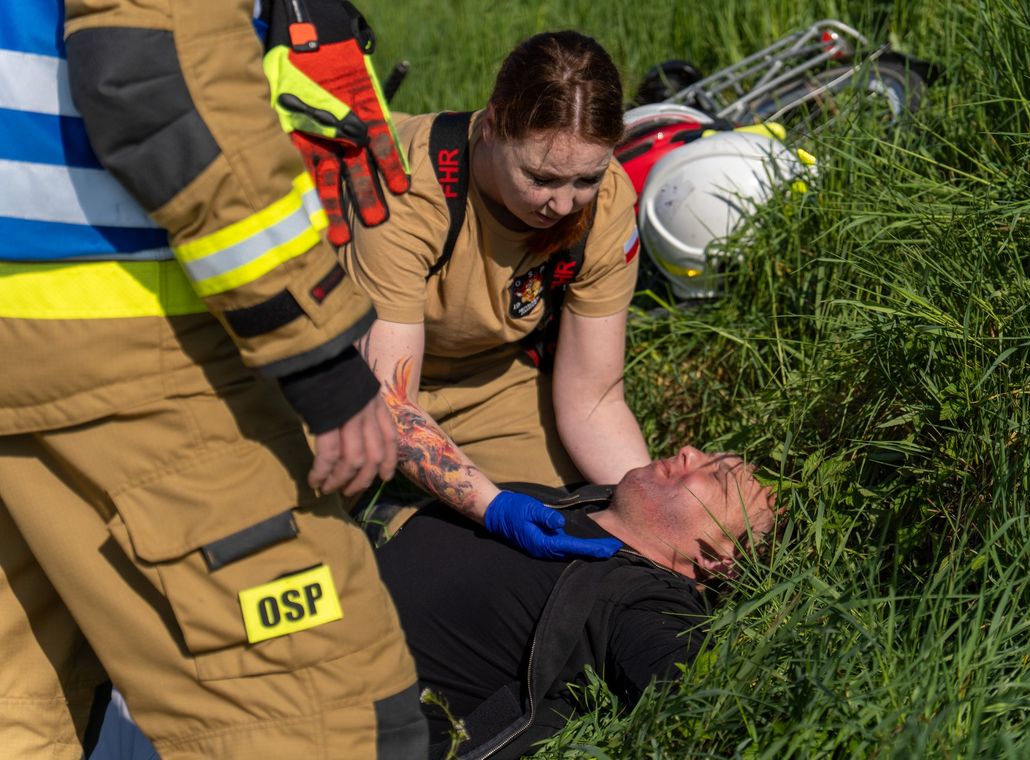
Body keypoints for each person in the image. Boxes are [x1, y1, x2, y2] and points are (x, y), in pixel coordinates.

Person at [0, 0, 426, 756]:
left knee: (19, 706)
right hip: (129, 342)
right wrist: (320, 352)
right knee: (331, 714)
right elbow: (151, 69)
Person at [342, 31, 653, 535]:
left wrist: (649, 504)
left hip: (486, 384)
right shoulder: (404, 187)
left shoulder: (609, 199)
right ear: (491, 125)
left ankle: (406, 509)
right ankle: (386, 511)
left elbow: (593, 400)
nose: (563, 205)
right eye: (542, 178)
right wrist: (491, 506)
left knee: (577, 514)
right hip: (343, 378)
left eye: (586, 180)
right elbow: (390, 403)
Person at [374, 446, 779, 759]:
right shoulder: (569, 502)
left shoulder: (646, 601)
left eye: (718, 476)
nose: (691, 450)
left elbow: (716, 710)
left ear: (717, 559)